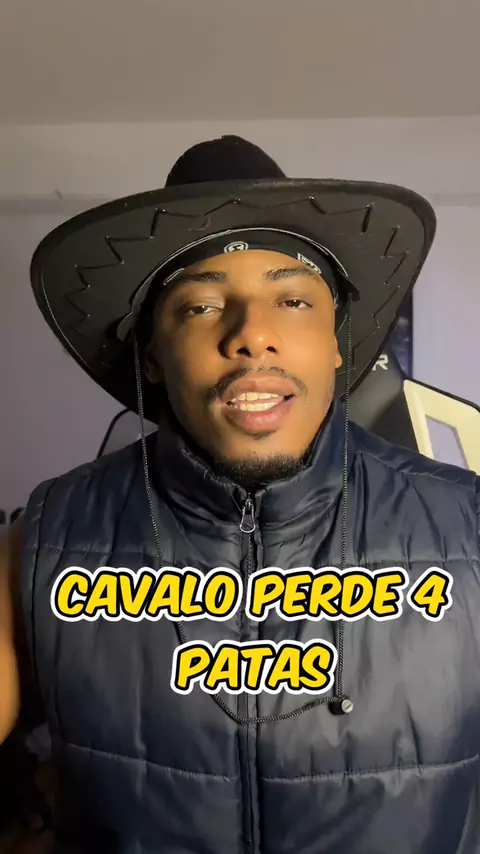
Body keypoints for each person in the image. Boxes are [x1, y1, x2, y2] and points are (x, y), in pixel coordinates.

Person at [1, 135, 479, 854]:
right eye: (199, 306)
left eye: (292, 299)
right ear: (153, 356)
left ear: (337, 341)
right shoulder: (47, 536)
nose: (253, 335)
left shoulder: (467, 524)